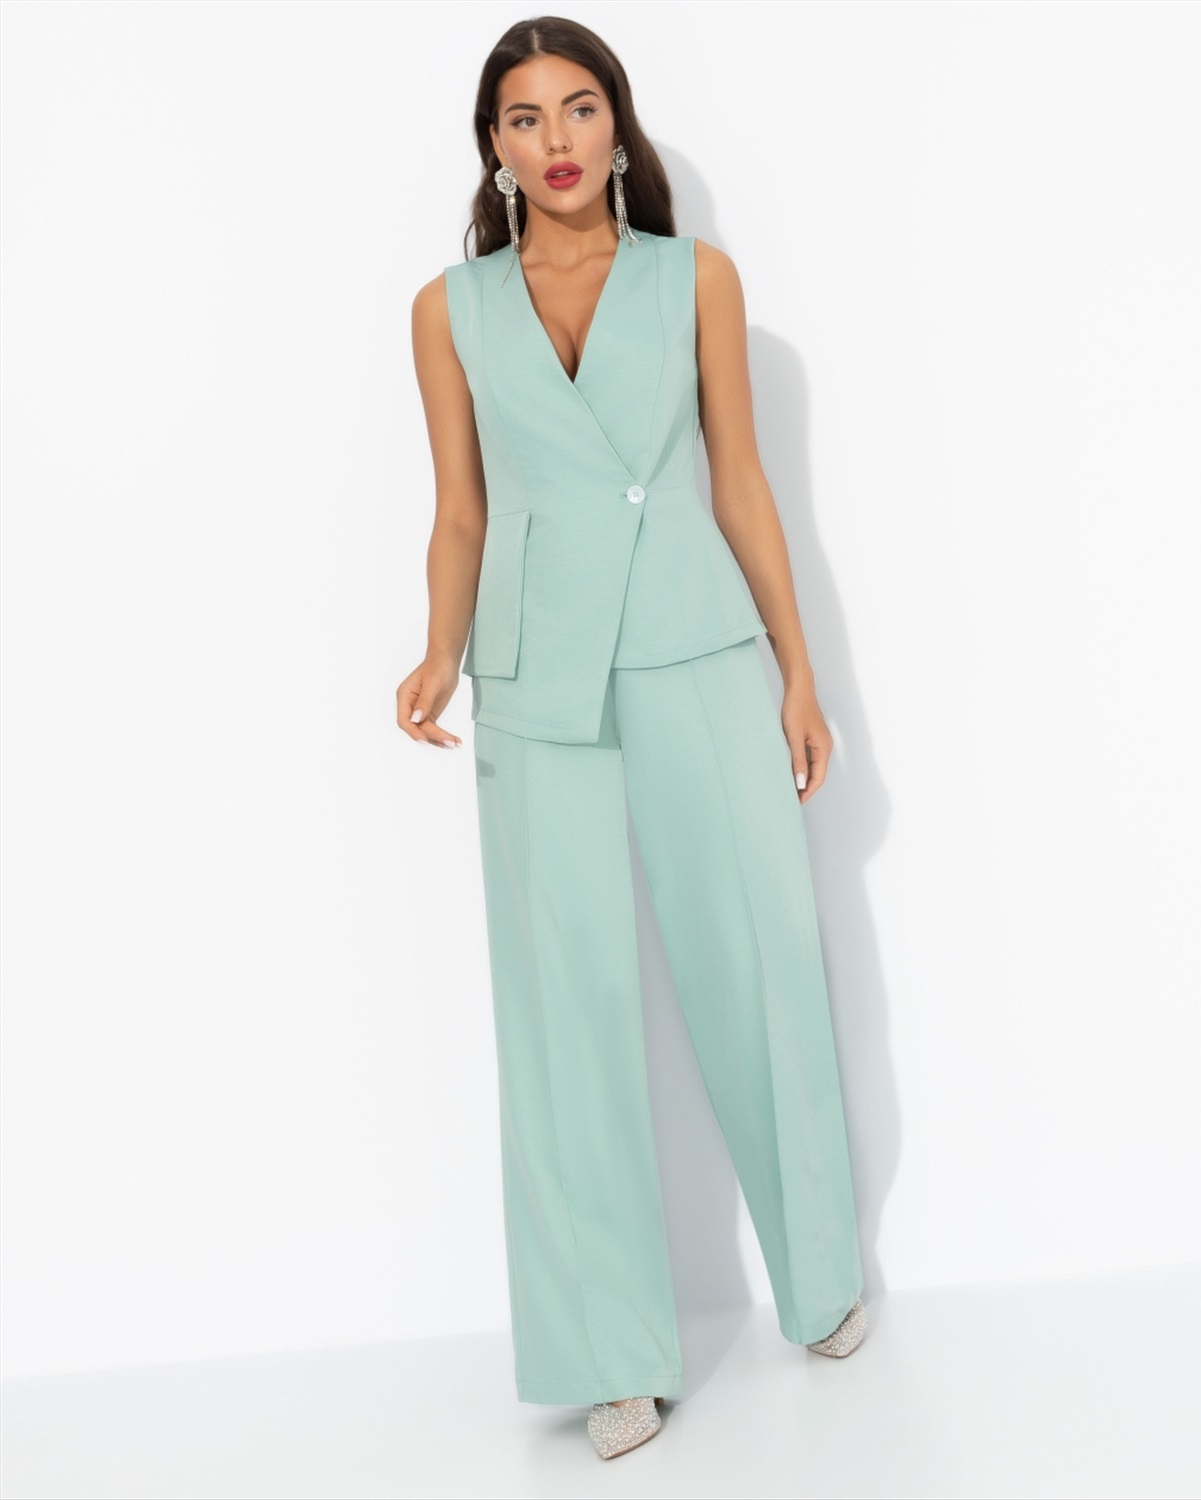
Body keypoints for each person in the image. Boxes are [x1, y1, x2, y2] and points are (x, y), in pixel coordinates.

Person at [397, 15, 865, 1459]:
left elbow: (741, 479)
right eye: (525, 117)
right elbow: (461, 509)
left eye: (580, 108)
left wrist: (797, 670)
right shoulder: (449, 309)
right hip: (537, 673)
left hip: (695, 645)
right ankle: (614, 1350)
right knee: (566, 1008)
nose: (557, 141)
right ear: (494, 145)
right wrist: (439, 651)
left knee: (761, 958)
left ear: (619, 124)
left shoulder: (694, 279)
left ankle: (823, 1278)